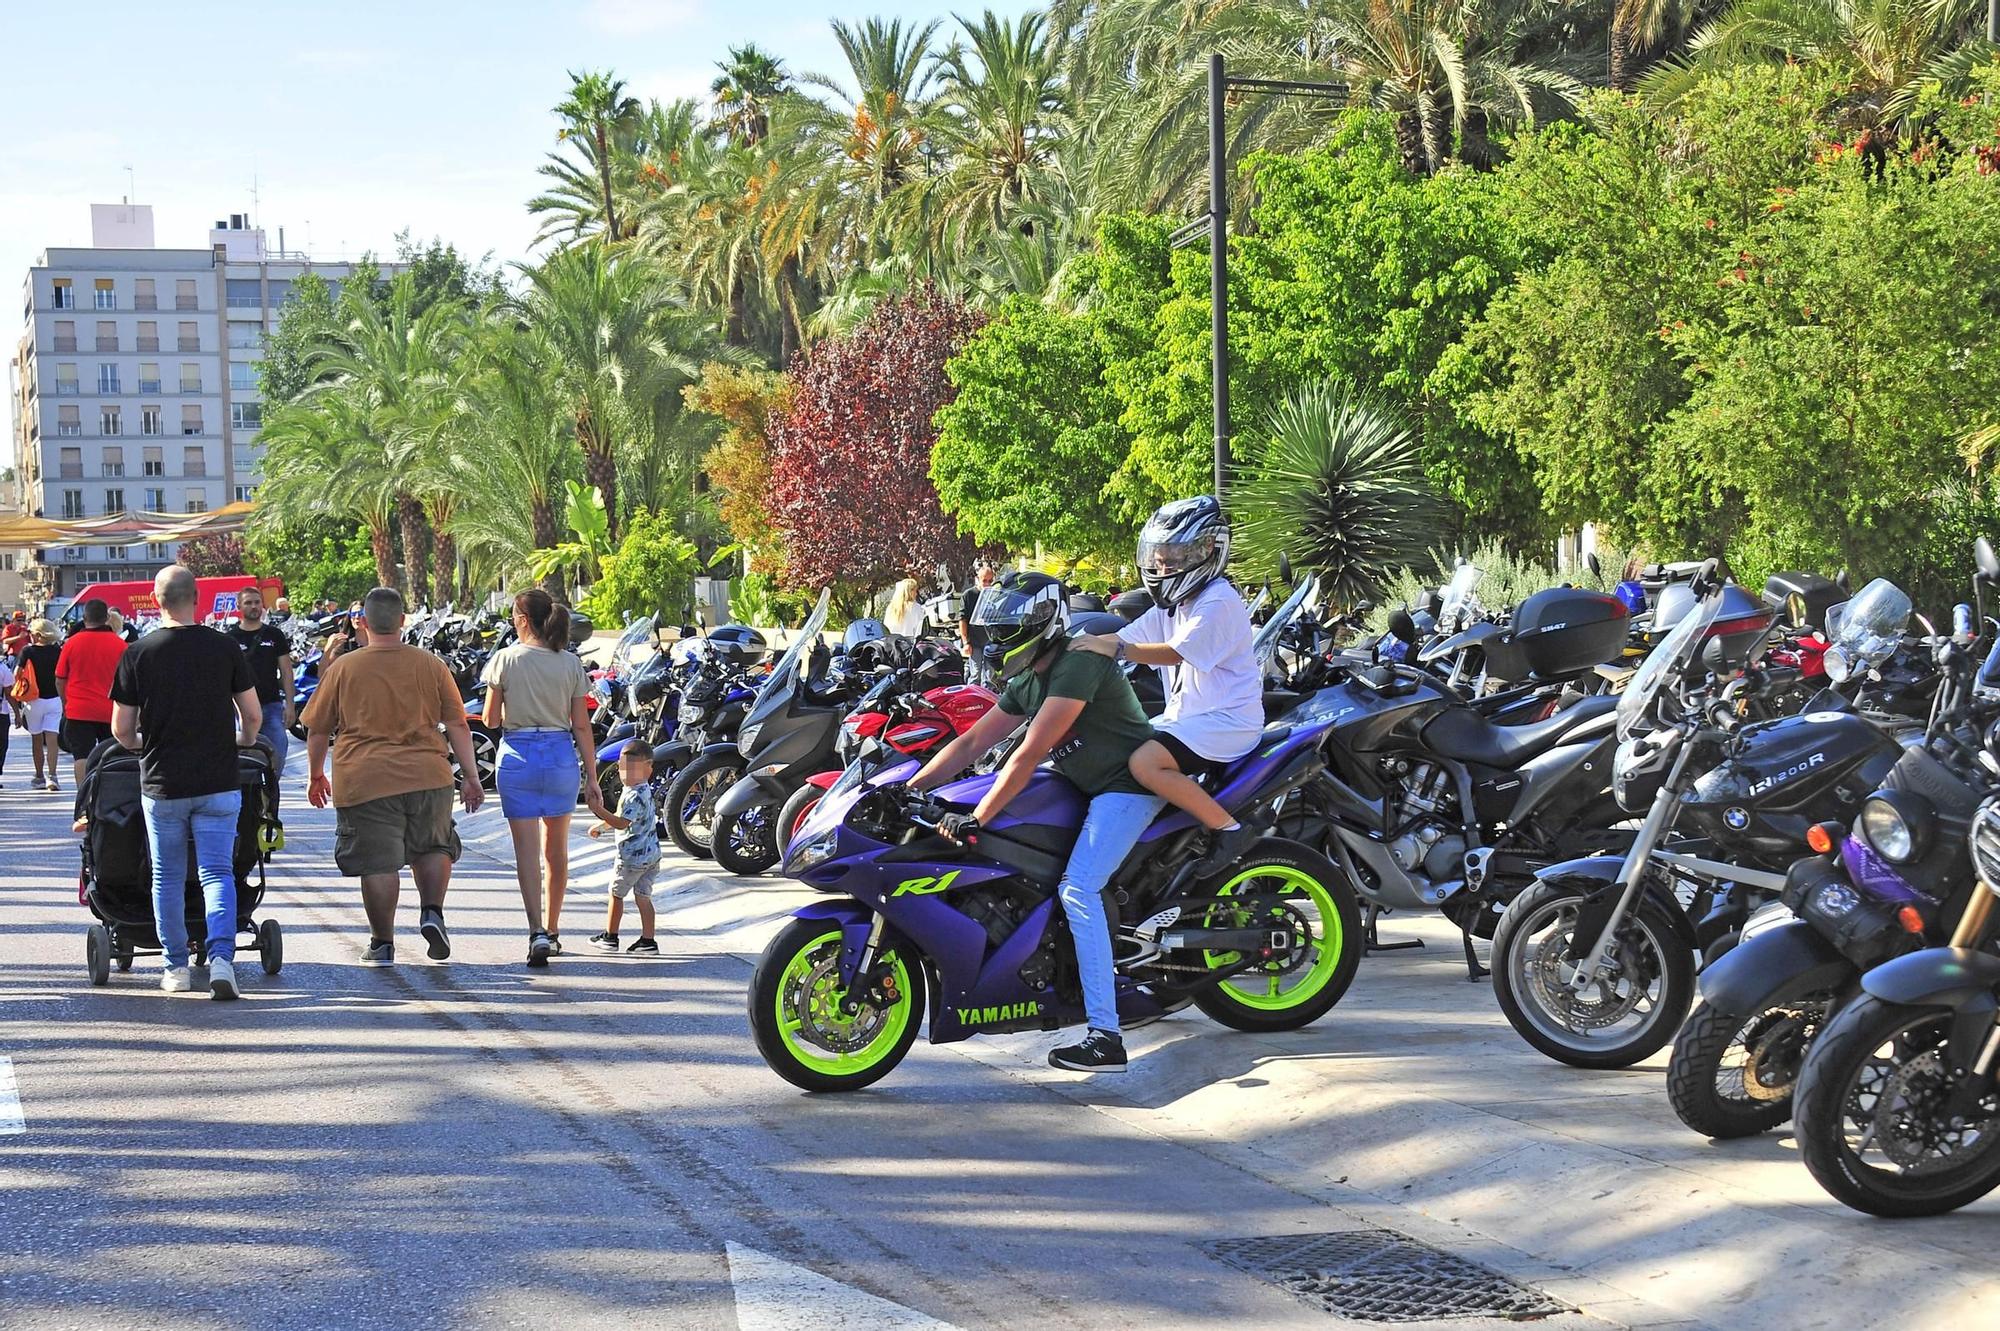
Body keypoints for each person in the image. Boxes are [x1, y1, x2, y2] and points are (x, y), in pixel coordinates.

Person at [909, 571, 1159, 1074]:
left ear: (1045, 622)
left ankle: (1106, 1036)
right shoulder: (1028, 677)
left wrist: (976, 818)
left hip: (1127, 786)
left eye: (1008, 630)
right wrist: (911, 787)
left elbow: (1028, 753)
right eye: (994, 630)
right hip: (1083, 785)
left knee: (1078, 890)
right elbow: (973, 742)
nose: (998, 641)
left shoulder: (1077, 664)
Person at [1071, 496, 1264, 873]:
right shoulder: (1171, 607)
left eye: (1173, 556)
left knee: (1146, 763)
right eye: (1158, 556)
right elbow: (1123, 638)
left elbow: (1173, 653)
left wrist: (1114, 648)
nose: (1162, 565)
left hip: (1225, 721)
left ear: (1208, 550)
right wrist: (1070, 648)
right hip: (1188, 718)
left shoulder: (1218, 600)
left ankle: (1229, 828)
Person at [303, 587, 479, 965]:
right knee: (433, 846)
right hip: (429, 775)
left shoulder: (343, 669)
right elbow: (458, 725)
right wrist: (472, 776)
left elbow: (317, 730)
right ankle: (432, 910)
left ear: (362, 622)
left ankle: (382, 943)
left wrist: (316, 775)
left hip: (365, 780)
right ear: (402, 621)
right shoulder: (431, 665)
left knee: (378, 863)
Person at [109, 566, 262, 1000]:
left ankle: (175, 966)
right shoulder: (225, 647)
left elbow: (121, 730)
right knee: (217, 873)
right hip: (218, 779)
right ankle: (221, 961)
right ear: (197, 597)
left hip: (162, 782)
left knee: (167, 876)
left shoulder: (137, 652)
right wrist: (243, 740)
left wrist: (144, 743)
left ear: (156, 600)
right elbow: (251, 716)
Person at [483, 588, 609, 967]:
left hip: (517, 757)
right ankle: (554, 931)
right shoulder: (569, 663)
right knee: (556, 851)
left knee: (526, 852)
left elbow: (489, 720)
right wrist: (592, 776)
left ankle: (535, 929)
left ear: (522, 620)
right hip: (559, 758)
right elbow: (582, 726)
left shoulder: (504, 660)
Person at [585, 746, 662, 954]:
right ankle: (648, 940)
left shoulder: (633, 795)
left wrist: (599, 811)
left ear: (648, 769)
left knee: (616, 894)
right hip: (651, 855)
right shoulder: (643, 790)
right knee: (643, 897)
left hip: (631, 858)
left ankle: (610, 936)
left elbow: (621, 822)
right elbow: (624, 817)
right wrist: (601, 826)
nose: (627, 774)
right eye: (622, 769)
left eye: (633, 769)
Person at [55, 599, 129, 793]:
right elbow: (129, 680)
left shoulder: (72, 644)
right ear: (106, 618)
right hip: (110, 711)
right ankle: (107, 796)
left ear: (84, 618)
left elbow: (60, 679)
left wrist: (66, 703)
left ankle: (84, 799)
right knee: (111, 756)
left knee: (81, 756)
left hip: (79, 710)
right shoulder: (120, 645)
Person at [226, 587, 295, 768]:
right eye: (248, 602)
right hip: (241, 711)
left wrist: (290, 705)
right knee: (243, 763)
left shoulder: (275, 635)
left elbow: (287, 671)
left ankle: (271, 794)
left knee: (277, 756)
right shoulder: (229, 638)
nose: (254, 606)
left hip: (272, 707)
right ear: (239, 606)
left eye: (257, 602)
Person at [18, 620, 64, 792]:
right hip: (54, 699)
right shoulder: (58, 651)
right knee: (52, 739)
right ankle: (53, 776)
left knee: (37, 739)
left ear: (38, 634)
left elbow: (17, 673)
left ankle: (39, 776)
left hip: (33, 700)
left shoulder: (28, 651)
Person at [959, 563, 998, 682]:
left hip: (990, 641)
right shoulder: (969, 595)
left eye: (990, 581)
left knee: (989, 677)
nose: (987, 584)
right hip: (974, 641)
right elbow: (962, 620)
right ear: (978, 579)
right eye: (984, 580)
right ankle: (971, 699)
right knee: (975, 674)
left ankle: (988, 699)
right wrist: (966, 642)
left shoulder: (995, 595)